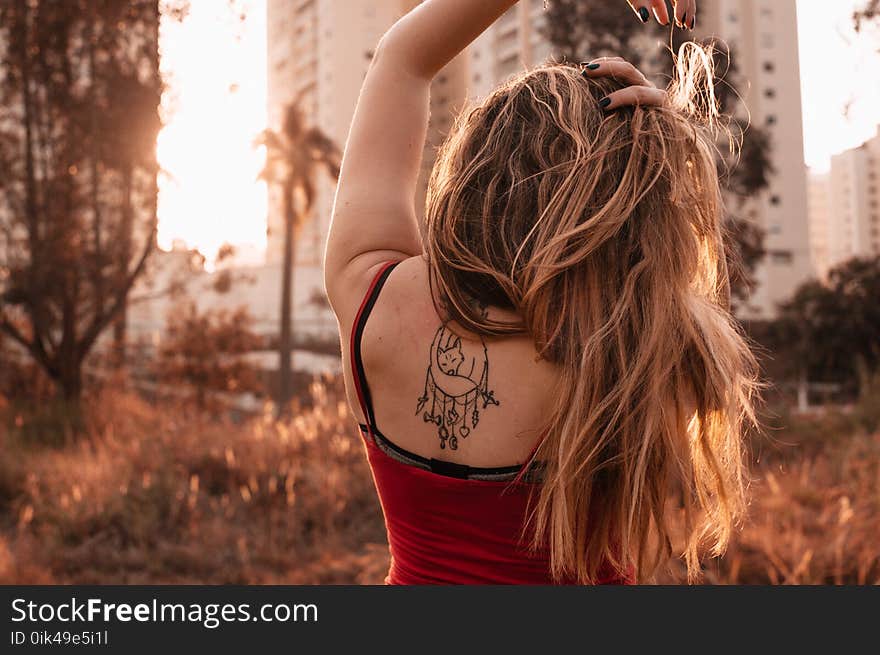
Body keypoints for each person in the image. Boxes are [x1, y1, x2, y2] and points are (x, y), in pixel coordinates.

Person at [323, 0, 759, 585]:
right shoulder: (634, 351)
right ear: (609, 202)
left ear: (473, 174)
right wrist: (662, 157)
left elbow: (402, 58)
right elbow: (688, 312)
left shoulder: (372, 299)